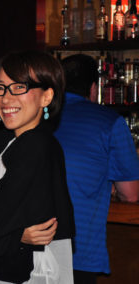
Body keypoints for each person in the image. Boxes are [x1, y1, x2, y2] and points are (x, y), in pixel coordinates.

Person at [0, 50, 75, 284]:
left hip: (28, 273)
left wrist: (3, 232)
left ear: (46, 96)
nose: (6, 98)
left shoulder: (37, 144)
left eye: (19, 87)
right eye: (0, 88)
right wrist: (15, 234)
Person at [54, 54, 139, 284]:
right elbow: (131, 195)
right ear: (94, 88)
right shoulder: (110, 122)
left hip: (31, 248)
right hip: (77, 252)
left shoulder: (41, 118)